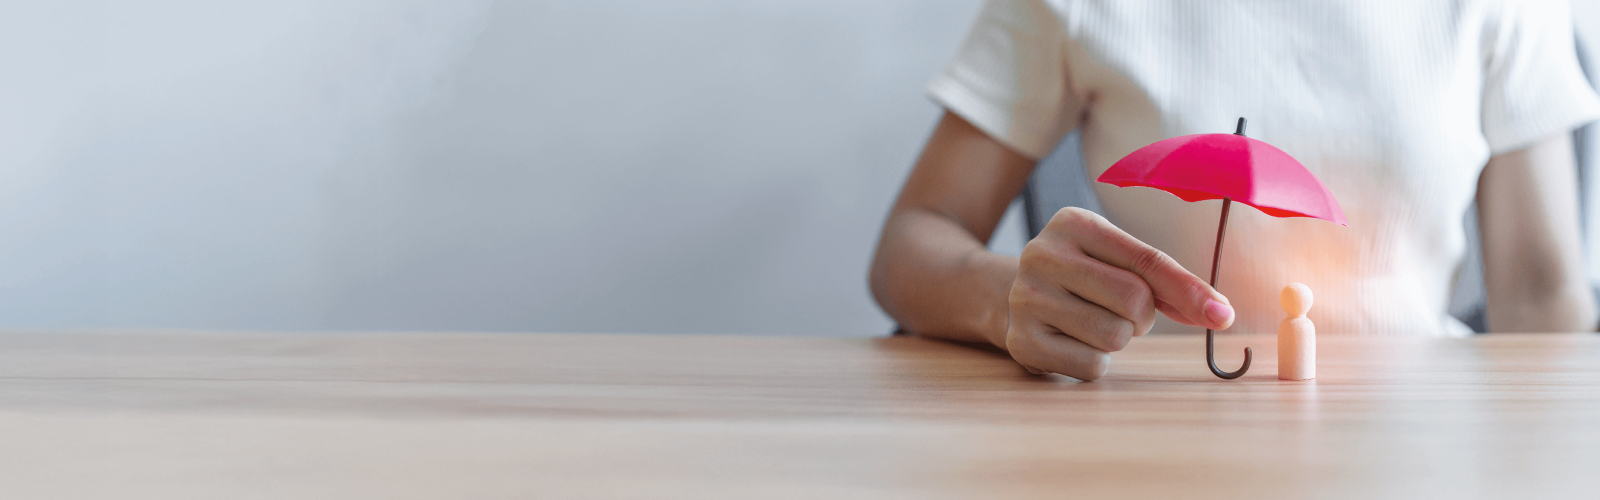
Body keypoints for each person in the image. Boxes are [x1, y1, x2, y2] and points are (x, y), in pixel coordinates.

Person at [869, 0, 1600, 381]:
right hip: (1143, 426)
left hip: (1419, 428)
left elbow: (1540, 299)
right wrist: (1009, 300)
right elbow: (914, 240)